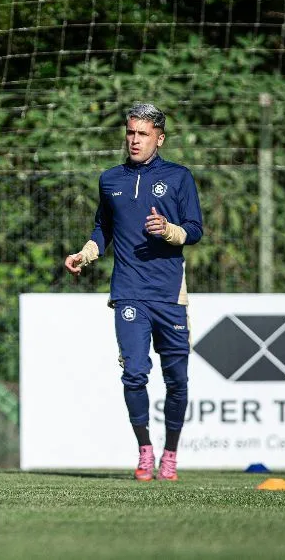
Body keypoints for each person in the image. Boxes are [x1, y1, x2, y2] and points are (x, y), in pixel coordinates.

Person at [63, 103, 203, 482]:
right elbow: (102, 230)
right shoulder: (110, 179)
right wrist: (86, 254)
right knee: (135, 374)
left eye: (142, 134)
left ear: (159, 137)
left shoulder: (178, 177)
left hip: (170, 294)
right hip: (128, 292)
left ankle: (170, 453)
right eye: (130, 133)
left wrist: (169, 230)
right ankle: (145, 451)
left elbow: (195, 229)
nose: (134, 140)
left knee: (177, 380)